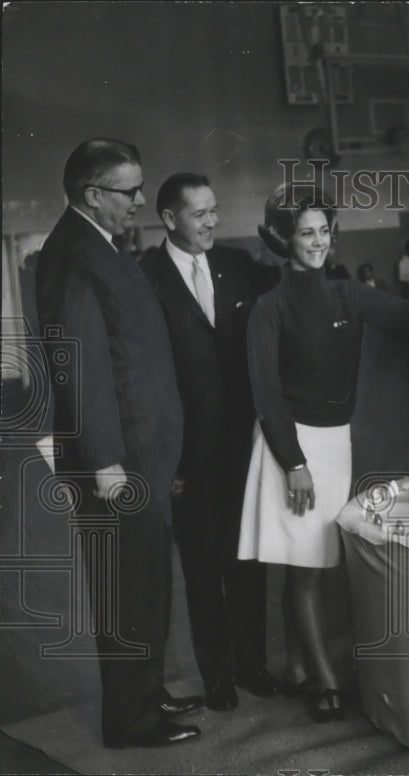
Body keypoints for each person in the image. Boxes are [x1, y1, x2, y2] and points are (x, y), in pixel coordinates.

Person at [237, 183, 409, 722]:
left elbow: (401, 309)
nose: (319, 242)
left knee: (315, 562)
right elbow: (265, 392)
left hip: (335, 443)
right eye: (306, 233)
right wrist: (293, 463)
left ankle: (300, 667)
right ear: (283, 238)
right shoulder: (268, 309)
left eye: (325, 231)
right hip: (289, 447)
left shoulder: (347, 295)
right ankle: (323, 679)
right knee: (304, 569)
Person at [35, 139, 201, 748]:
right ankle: (130, 720)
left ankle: (146, 693)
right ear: (92, 194)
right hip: (118, 460)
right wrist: (104, 460)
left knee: (148, 581)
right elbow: (78, 368)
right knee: (128, 588)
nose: (139, 201)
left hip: (142, 455)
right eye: (128, 191)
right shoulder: (75, 253)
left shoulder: (98, 244)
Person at [139, 173, 280, 712]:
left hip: (244, 446)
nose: (212, 222)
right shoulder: (144, 278)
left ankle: (253, 664)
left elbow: (286, 301)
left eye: (214, 210)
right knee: (202, 571)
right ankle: (217, 677)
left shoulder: (240, 266)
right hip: (187, 458)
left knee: (247, 563)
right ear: (170, 219)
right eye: (199, 214)